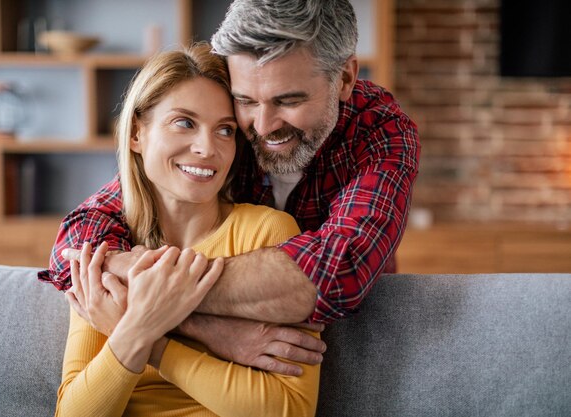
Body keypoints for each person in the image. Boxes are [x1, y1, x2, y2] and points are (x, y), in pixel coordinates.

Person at [40, 0, 419, 376]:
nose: (264, 125)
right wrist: (209, 331)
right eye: (246, 101)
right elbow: (76, 246)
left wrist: (154, 298)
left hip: (345, 344)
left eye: (288, 100)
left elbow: (336, 270)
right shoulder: (218, 117)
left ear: (345, 78)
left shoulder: (381, 130)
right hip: (225, 358)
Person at [53, 43, 320, 416]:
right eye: (185, 122)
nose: (207, 147)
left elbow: (288, 410)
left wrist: (152, 339)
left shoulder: (267, 234)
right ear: (136, 134)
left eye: (225, 130)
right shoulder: (108, 250)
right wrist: (141, 332)